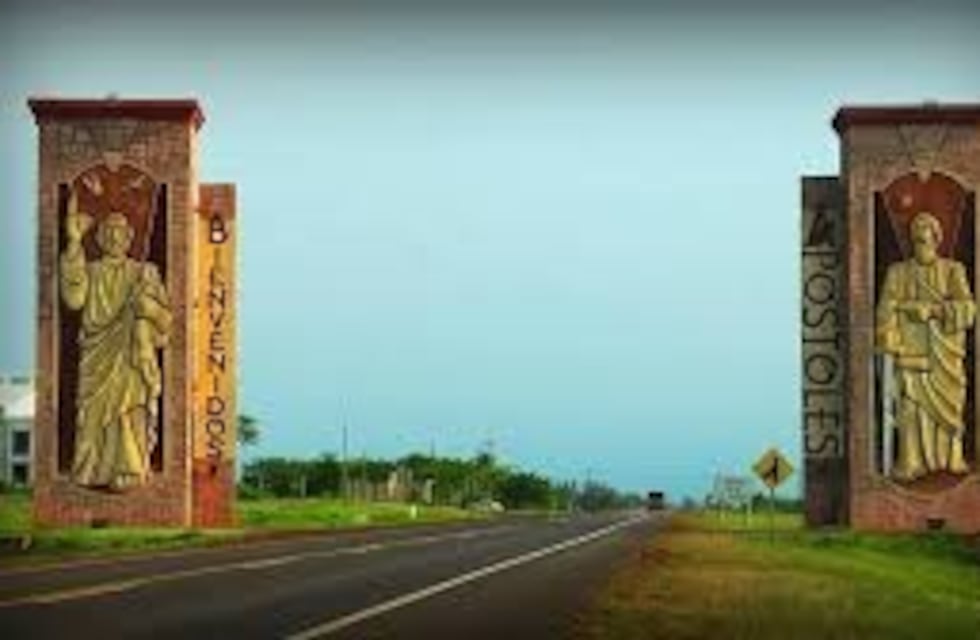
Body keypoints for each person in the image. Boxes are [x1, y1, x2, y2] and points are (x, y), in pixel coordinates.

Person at [60, 193, 172, 490]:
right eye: (107, 231)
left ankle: (130, 468)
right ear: (98, 237)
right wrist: (73, 242)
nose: (113, 237)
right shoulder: (91, 271)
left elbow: (167, 323)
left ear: (130, 236)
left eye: (120, 231)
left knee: (126, 411)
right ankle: (90, 470)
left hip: (131, 355)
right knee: (90, 415)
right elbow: (73, 299)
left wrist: (147, 309)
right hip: (97, 354)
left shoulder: (144, 273)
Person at [876, 211, 975, 480]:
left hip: (945, 355)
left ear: (937, 238)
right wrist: (890, 335)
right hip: (911, 350)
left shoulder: (953, 270)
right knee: (910, 406)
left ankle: (951, 458)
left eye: (927, 234)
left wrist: (932, 311)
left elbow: (967, 309)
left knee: (951, 406)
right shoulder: (897, 272)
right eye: (917, 235)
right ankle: (910, 462)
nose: (922, 239)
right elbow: (884, 310)